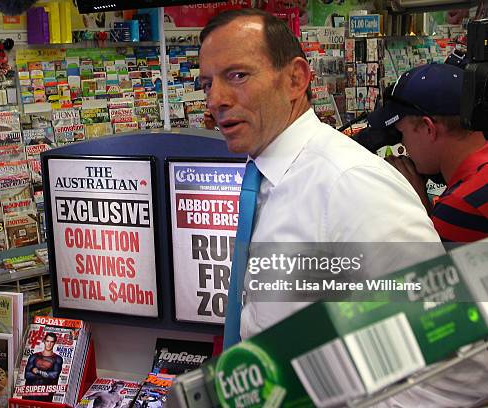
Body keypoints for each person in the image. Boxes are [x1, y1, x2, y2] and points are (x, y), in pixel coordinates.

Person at [198, 8, 485, 407]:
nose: (216, 100)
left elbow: (458, 373)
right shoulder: (266, 176)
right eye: (207, 83)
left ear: (296, 78)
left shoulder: (350, 184)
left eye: (238, 76)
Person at [369, 63, 487, 243]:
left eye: (401, 133)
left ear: (428, 128)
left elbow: (438, 268)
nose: (403, 144)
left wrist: (416, 207)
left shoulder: (461, 206)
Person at [25, 332, 63, 401]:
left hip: (46, 397)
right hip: (30, 395)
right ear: (44, 341)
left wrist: (37, 372)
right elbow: (27, 375)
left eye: (51, 342)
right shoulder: (34, 356)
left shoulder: (57, 358)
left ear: (54, 343)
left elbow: (54, 375)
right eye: (47, 341)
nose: (49, 344)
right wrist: (46, 375)